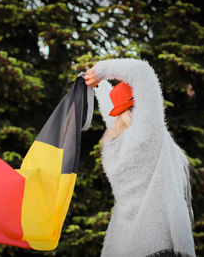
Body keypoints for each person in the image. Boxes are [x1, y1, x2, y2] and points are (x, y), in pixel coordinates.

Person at [84, 58, 196, 257]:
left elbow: (111, 111)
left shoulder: (114, 144)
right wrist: (100, 70)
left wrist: (99, 84)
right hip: (157, 245)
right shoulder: (147, 134)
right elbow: (143, 71)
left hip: (124, 247)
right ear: (141, 104)